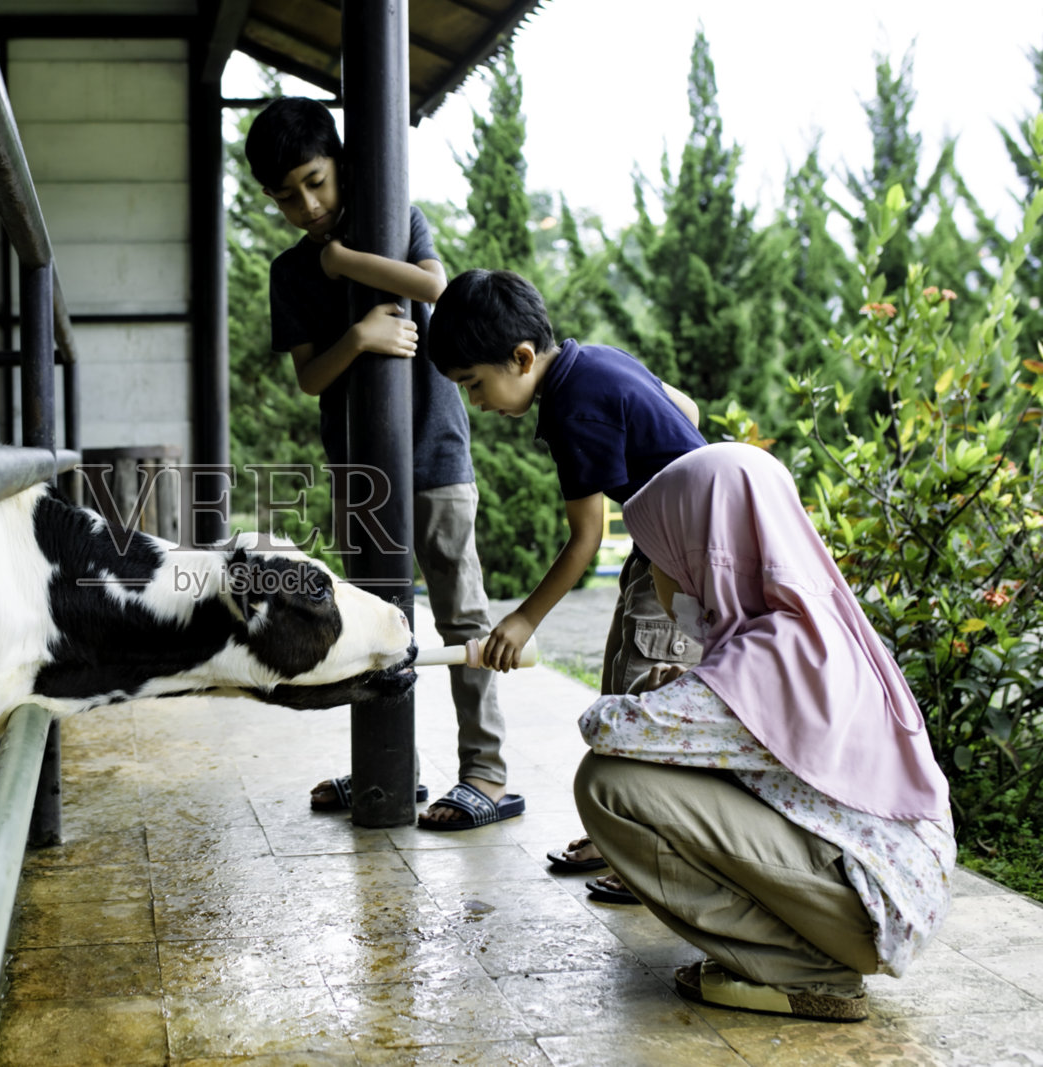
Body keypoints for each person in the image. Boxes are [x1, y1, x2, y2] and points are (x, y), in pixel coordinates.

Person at [572, 442, 954, 1022]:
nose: (653, 573)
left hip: (864, 904)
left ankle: (806, 971)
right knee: (646, 766)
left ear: (707, 551)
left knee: (610, 782)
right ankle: (798, 953)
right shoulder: (808, 629)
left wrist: (661, 700)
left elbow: (604, 728)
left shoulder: (777, 653)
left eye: (659, 553)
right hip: (879, 891)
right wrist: (690, 694)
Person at [245, 97, 517, 830]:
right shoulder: (288, 274)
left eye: (315, 181)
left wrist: (346, 262)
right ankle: (390, 765)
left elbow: (436, 287)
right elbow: (309, 377)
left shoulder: (399, 224)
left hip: (436, 456)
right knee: (369, 624)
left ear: (339, 163)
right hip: (358, 476)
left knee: (462, 617)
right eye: (286, 196)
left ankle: (486, 772)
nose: (305, 204)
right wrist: (360, 334)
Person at [427, 268, 706, 891]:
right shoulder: (598, 360)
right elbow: (683, 407)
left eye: (475, 383)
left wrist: (524, 619)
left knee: (642, 705)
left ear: (522, 358)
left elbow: (584, 539)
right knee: (622, 686)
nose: (477, 403)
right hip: (668, 547)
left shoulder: (573, 407)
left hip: (681, 558)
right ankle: (622, 834)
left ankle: (645, 855)